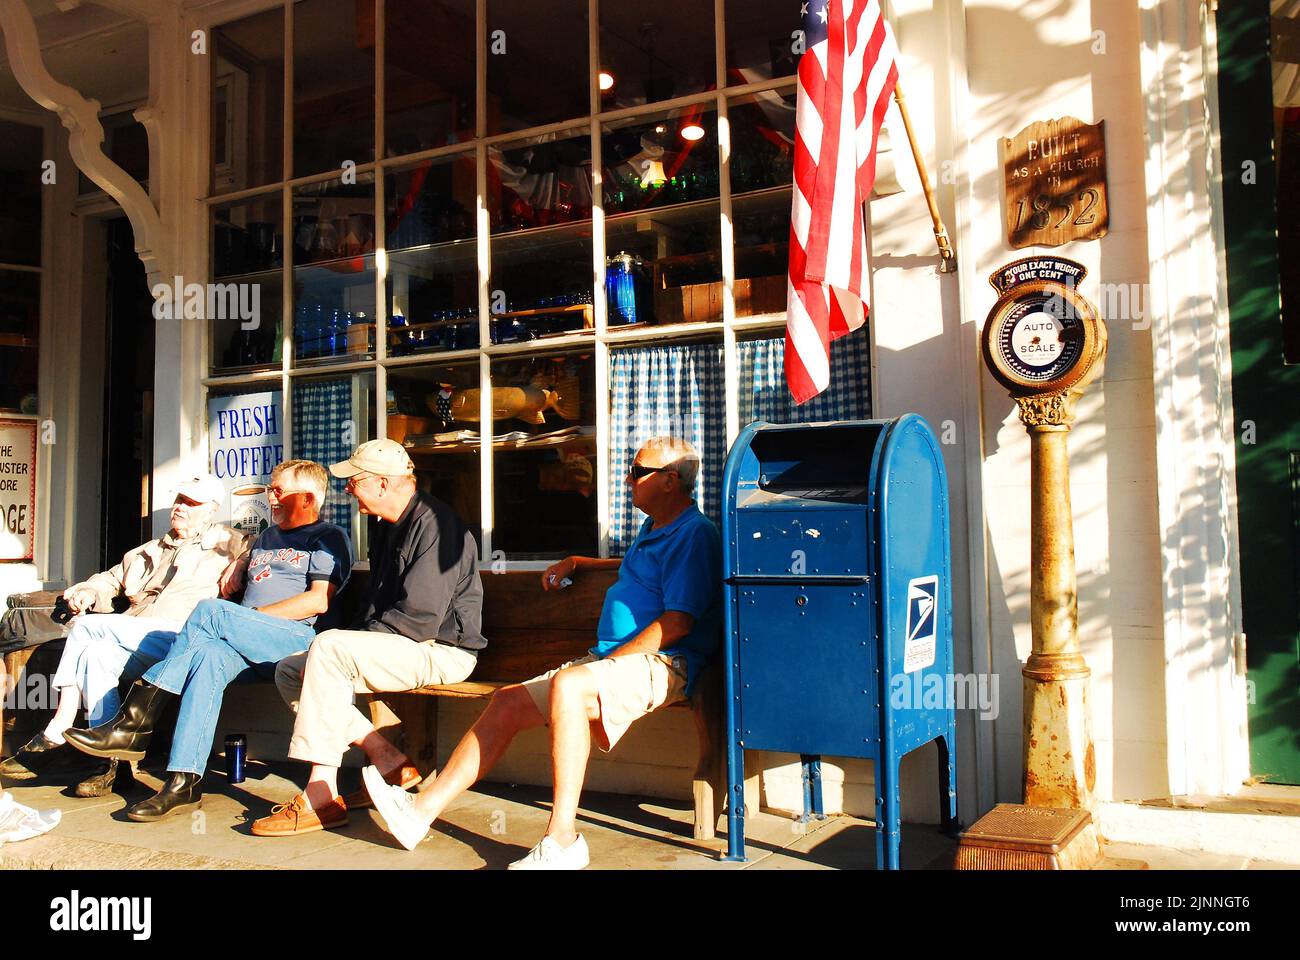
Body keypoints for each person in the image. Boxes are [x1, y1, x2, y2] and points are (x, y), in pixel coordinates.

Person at [363, 437, 721, 869]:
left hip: (666, 664)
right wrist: (579, 561)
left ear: (669, 481)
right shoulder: (657, 529)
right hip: (615, 659)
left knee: (568, 687)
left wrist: (611, 662)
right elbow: (636, 568)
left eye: (637, 471)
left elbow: (678, 622)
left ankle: (563, 838)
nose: (628, 479)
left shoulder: (695, 534)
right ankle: (419, 813)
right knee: (507, 701)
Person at [61, 460, 351, 822]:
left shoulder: (327, 536)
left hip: (294, 638)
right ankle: (184, 781)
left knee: (210, 611)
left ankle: (136, 719)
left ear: (307, 498)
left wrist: (245, 619)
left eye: (278, 491)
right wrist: (241, 564)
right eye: (269, 490)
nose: (270, 498)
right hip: (241, 639)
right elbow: (241, 555)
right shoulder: (265, 538)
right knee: (207, 658)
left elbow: (318, 600)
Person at [251, 438, 484, 837]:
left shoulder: (438, 526)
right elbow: (379, 609)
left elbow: (419, 620)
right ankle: (385, 755)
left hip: (442, 650)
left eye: (353, 481)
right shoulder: (385, 526)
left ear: (383, 483)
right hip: (403, 644)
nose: (346, 489)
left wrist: (346, 645)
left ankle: (319, 796)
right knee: (290, 670)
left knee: (328, 650)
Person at [0, 476, 248, 797]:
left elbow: (261, 547)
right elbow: (109, 579)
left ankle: (60, 725)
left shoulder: (227, 542)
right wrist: (88, 589)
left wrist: (240, 563)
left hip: (185, 639)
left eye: (191, 503)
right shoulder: (145, 552)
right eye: (179, 499)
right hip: (140, 640)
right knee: (95, 654)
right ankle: (111, 763)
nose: (180, 507)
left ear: (212, 510)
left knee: (87, 627)